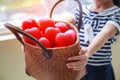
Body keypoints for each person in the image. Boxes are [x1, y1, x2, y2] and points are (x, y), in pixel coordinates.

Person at [66, 0, 120, 80]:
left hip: (100, 72)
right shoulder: (82, 9)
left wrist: (87, 53)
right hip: (78, 68)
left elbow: (106, 33)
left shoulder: (116, 13)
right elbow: (66, 24)